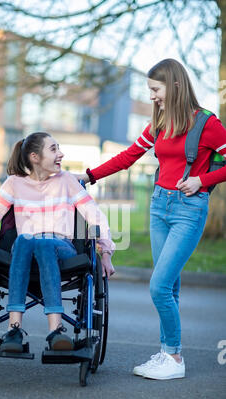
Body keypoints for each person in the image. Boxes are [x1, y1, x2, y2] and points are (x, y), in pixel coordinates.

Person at [74, 58, 226, 380]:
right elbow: (129, 156)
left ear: (174, 85)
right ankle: (166, 352)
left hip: (189, 209)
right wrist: (88, 177)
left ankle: (174, 357)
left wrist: (203, 180)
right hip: (158, 207)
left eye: (155, 89)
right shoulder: (159, 122)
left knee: (158, 286)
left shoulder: (207, 124)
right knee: (169, 288)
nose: (152, 96)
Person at [0, 132, 115, 352]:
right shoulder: (14, 184)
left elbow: (95, 217)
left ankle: (55, 330)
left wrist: (106, 253)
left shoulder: (67, 181)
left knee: (44, 242)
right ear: (35, 157)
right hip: (24, 250)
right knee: (27, 239)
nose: (61, 154)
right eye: (54, 149)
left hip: (61, 248)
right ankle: (13, 329)